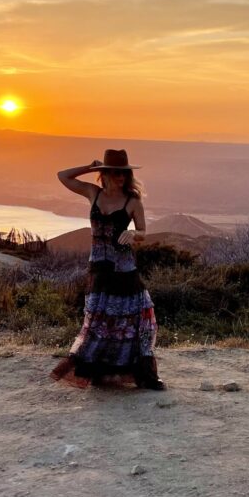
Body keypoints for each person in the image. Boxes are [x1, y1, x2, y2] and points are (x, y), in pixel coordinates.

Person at [50, 148, 164, 390]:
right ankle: (102, 371)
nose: (120, 177)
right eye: (114, 172)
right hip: (99, 269)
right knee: (100, 322)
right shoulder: (93, 193)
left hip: (124, 270)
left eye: (123, 173)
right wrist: (89, 168)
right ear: (105, 173)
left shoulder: (132, 202)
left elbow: (143, 232)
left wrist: (134, 233)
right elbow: (63, 176)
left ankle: (142, 374)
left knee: (136, 320)